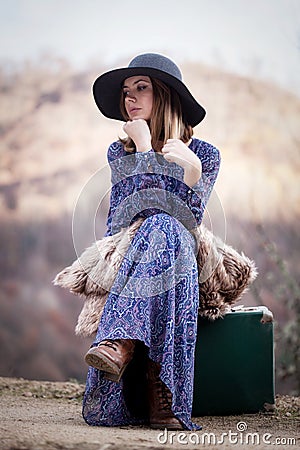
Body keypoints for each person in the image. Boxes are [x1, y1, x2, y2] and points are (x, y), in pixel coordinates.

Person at [82, 53, 221, 431]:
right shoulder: (120, 152)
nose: (130, 98)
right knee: (159, 226)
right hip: (131, 250)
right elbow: (124, 218)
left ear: (166, 96)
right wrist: (144, 151)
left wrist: (193, 173)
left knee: (168, 230)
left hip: (180, 256)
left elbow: (188, 224)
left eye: (141, 88)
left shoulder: (204, 155)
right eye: (127, 92)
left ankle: (120, 344)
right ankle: (163, 394)